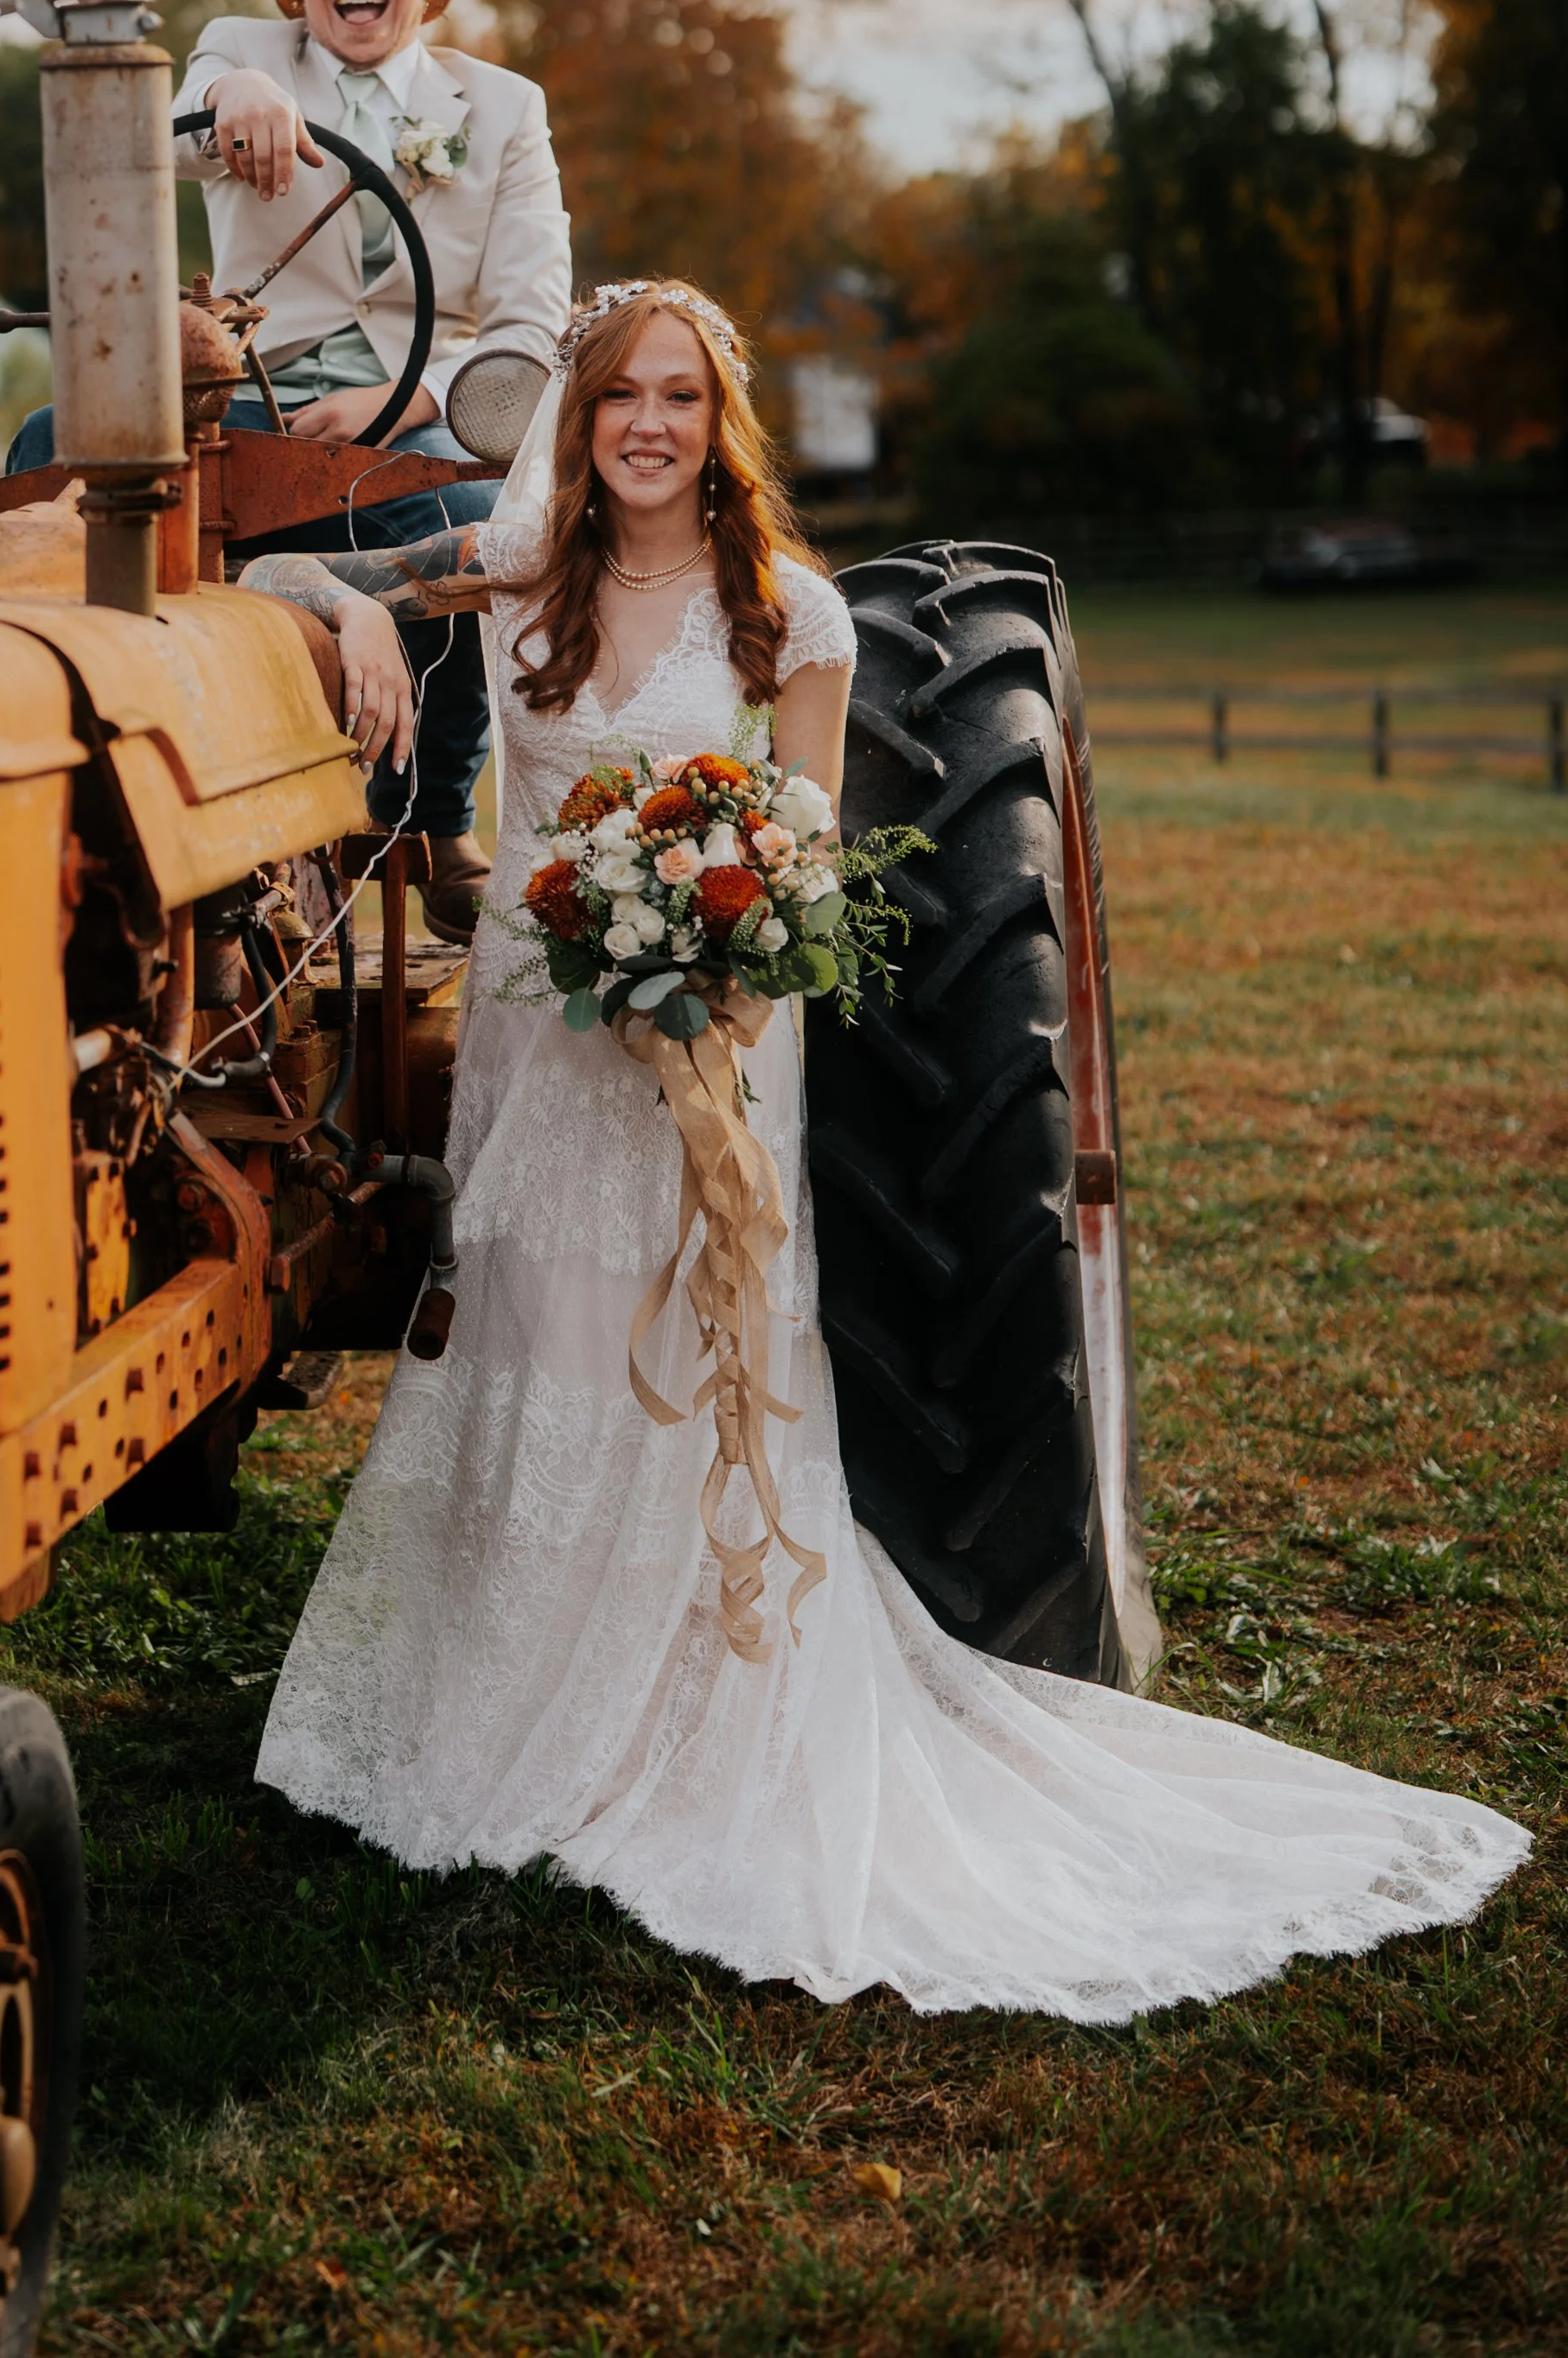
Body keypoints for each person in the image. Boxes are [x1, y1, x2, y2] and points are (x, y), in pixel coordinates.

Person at [235, 278, 1527, 2019]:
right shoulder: (521, 575)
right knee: (544, 1332)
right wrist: (365, 615)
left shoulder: (796, 612)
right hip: (544, 1041)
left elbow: (812, 830)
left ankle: (700, 1696)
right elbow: (257, 580)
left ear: (720, 421)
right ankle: (513, 1690)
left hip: (717, 1039)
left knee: (700, 1341)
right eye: (620, 394)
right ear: (581, 414)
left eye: (680, 397)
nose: (646, 425)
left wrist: (719, 945)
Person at [12, 0, 572, 944]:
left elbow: (529, 324)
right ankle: (85, 778)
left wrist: (405, 398)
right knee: (45, 456)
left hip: (415, 417)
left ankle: (430, 821)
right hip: (249, 400)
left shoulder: (503, 110)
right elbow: (150, 127)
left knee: (469, 516)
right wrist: (229, 102)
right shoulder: (240, 51)